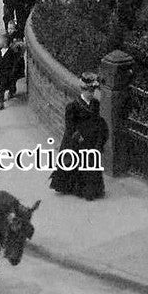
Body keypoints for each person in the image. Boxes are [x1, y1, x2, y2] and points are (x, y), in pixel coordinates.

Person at [48, 72, 107, 201]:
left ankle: (93, 189)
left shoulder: (95, 104)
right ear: (83, 90)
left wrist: (97, 136)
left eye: (92, 92)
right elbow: (70, 126)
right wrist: (78, 138)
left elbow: (96, 120)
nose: (91, 94)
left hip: (91, 138)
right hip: (76, 140)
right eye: (89, 92)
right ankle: (79, 189)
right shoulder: (73, 106)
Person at [0, 33, 22, 110]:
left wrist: (13, 72)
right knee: (0, 88)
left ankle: (11, 92)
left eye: (1, 41)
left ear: (5, 42)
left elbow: (14, 63)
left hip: (8, 73)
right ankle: (1, 102)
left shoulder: (11, 52)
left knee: (9, 85)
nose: (0, 42)